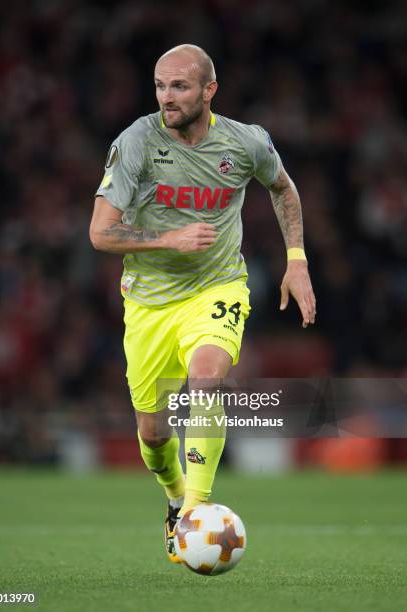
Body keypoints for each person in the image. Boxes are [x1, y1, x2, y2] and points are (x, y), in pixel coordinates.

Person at [90, 44, 316, 563]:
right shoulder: (136, 143)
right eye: (159, 86)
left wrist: (297, 260)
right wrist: (166, 240)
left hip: (217, 286)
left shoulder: (246, 142)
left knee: (207, 378)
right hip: (148, 301)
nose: (166, 98)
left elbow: (283, 189)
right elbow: (100, 234)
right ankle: (174, 498)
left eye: (179, 87)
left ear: (209, 90)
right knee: (151, 433)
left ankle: (195, 512)